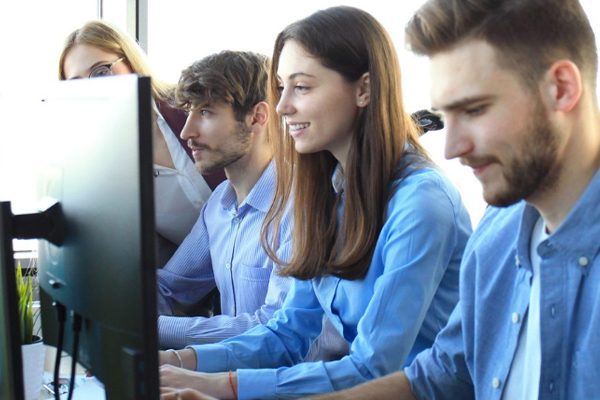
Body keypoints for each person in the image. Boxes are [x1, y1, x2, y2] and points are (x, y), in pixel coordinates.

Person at [158, 6, 472, 399]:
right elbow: (288, 333)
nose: (281, 106)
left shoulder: (421, 204)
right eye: (281, 87)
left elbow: (374, 368)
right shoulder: (325, 193)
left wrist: (226, 386)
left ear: (364, 90)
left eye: (301, 87)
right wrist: (179, 363)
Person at [306, 0, 600, 399]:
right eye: (446, 116)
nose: (452, 148)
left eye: (475, 109)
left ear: (561, 89)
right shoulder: (495, 236)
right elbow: (441, 375)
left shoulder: (430, 204)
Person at [59, 20, 226, 267]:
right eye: (77, 85)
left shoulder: (192, 106)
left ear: (130, 62)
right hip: (199, 285)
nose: (92, 89)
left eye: (101, 72)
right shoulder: (98, 168)